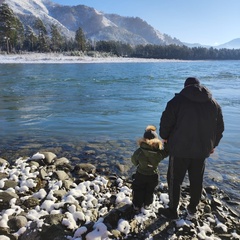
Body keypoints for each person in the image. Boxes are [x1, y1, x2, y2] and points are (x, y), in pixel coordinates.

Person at [158, 77, 224, 219]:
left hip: (179, 150)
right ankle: (192, 209)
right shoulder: (214, 104)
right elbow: (220, 128)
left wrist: (164, 137)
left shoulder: (176, 102)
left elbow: (165, 123)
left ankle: (172, 210)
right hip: (201, 151)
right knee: (196, 181)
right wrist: (213, 145)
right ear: (199, 86)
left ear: (185, 87)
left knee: (174, 180)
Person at [131, 125, 169, 211]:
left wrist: (138, 165)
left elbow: (133, 160)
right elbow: (167, 152)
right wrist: (166, 143)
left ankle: (137, 204)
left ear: (144, 140)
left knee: (138, 189)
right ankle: (147, 204)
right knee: (150, 190)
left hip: (140, 174)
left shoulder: (139, 151)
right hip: (153, 175)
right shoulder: (159, 153)